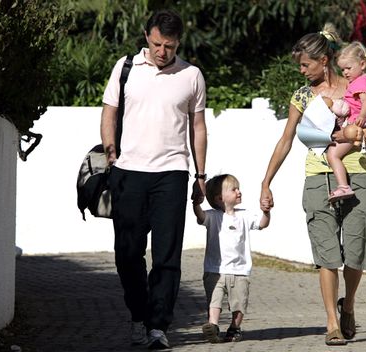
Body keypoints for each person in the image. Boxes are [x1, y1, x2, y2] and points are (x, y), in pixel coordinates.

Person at [260, 24, 366, 346]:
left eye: (306, 65)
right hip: (318, 179)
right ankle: (332, 321)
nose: (302, 71)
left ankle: (349, 305)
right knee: (327, 254)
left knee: (356, 252)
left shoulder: (355, 85)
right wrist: (266, 182)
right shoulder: (302, 96)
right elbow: (286, 140)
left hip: (357, 175)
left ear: (323, 60)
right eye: (300, 66)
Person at [100, 9, 207, 350]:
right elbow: (109, 111)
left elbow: (199, 127)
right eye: (158, 44)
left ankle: (158, 326)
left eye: (170, 46)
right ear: (147, 35)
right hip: (128, 172)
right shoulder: (125, 67)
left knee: (167, 255)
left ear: (179, 43)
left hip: (172, 174)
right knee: (127, 252)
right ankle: (138, 313)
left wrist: (201, 174)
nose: (163, 52)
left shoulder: (191, 75)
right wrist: (110, 151)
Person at [192, 174, 270, 344]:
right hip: (215, 270)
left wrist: (266, 212)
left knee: (239, 302)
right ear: (220, 198)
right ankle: (212, 326)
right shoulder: (212, 216)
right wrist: (196, 203)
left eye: (238, 188)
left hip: (240, 270)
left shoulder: (245, 215)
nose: (239, 191)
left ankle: (234, 327)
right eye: (234, 189)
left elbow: (262, 224)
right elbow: (200, 216)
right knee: (214, 299)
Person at [326, 41, 366, 202]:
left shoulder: (360, 82)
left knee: (333, 154)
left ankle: (343, 186)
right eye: (342, 69)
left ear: (362, 64)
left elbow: (365, 102)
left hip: (356, 125)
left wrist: (361, 116)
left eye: (348, 68)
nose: (345, 72)